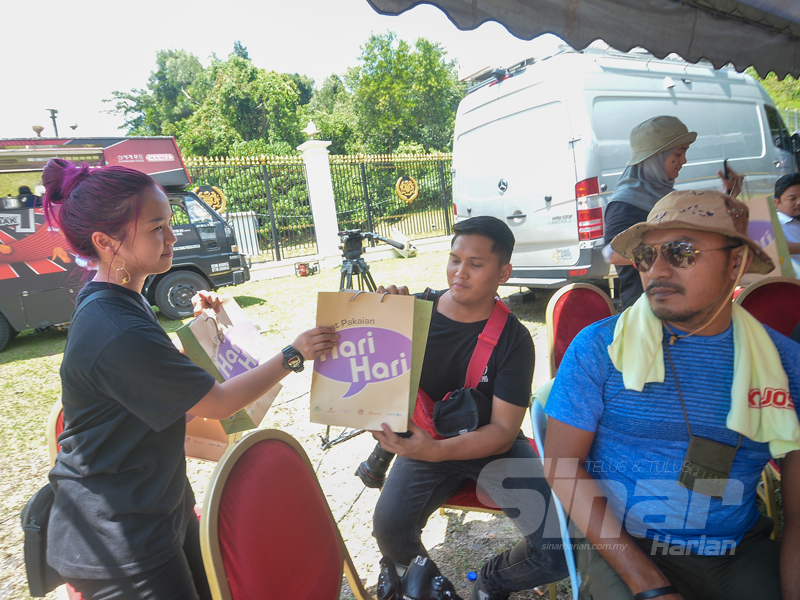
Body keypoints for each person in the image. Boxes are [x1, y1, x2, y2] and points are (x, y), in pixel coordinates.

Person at [43, 158, 338, 600]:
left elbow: (152, 372)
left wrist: (204, 335)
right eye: (156, 227)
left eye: (170, 223)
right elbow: (218, 404)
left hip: (155, 508)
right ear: (106, 242)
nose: (172, 237)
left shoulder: (122, 300)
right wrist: (294, 354)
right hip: (117, 538)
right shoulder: (114, 324)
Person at [545, 189, 800, 600]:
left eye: (681, 252)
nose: (656, 270)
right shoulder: (602, 348)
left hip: (734, 548)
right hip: (626, 542)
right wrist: (648, 584)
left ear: (736, 262)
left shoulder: (783, 364)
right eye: (645, 256)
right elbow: (561, 466)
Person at [371, 216, 567, 600]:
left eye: (475, 264)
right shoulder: (412, 312)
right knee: (389, 528)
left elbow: (502, 432)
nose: (459, 272)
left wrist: (437, 450)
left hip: (490, 445)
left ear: (503, 272)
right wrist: (378, 321)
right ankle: (434, 589)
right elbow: (369, 384)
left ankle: (493, 580)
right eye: (454, 259)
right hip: (425, 442)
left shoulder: (515, 340)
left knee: (561, 546)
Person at [603, 116, 742, 308]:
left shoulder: (667, 197)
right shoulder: (624, 203)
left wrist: (729, 196)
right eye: (679, 153)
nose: (684, 160)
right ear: (655, 158)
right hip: (646, 309)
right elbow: (611, 254)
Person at [773, 172, 800, 277]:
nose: (799, 202)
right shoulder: (774, 223)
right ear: (777, 202)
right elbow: (775, 247)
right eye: (792, 199)